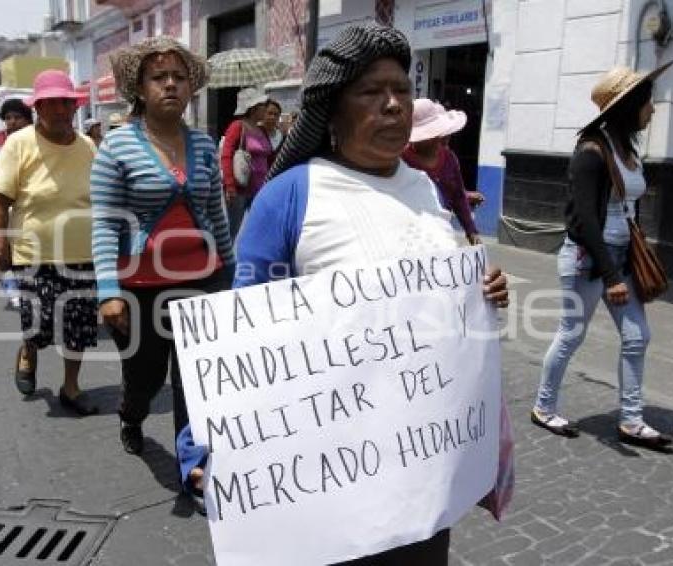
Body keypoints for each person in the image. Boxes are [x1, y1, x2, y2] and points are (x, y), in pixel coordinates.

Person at [176, 24, 512, 562]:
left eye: (402, 90)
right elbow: (244, 331)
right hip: (334, 482)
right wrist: (203, 442)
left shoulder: (424, 187)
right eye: (371, 92)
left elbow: (441, 294)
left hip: (422, 476)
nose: (394, 105)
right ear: (332, 110)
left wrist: (482, 292)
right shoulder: (291, 197)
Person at [91, 36, 234, 455]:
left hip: (203, 281)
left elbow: (217, 216)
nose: (170, 84)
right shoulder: (117, 146)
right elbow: (103, 223)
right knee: (146, 376)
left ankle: (193, 464)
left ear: (191, 88)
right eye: (159, 77)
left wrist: (232, 272)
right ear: (140, 88)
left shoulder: (205, 146)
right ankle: (130, 414)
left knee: (194, 378)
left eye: (179, 77)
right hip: (139, 287)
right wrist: (107, 291)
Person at [531, 61, 673, 451]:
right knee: (571, 336)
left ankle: (631, 420)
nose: (653, 109)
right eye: (648, 103)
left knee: (637, 337)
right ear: (630, 107)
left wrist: (627, 258)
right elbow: (582, 223)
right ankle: (543, 408)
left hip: (621, 256)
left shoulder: (626, 149)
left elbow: (628, 208)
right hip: (588, 260)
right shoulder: (591, 152)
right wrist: (610, 275)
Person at [0, 69, 99, 416]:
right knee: (39, 322)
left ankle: (71, 386)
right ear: (38, 108)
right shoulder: (18, 144)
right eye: (52, 104)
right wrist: (0, 246)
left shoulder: (88, 146)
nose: (61, 111)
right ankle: (28, 350)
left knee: (79, 325)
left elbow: (102, 195)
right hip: (33, 252)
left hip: (83, 250)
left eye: (66, 103)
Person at [402, 99, 483, 245]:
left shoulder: (449, 158)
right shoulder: (401, 160)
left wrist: (471, 230)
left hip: (441, 232)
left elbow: (458, 195)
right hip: (411, 234)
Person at [0, 98, 34, 308]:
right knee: (4, 248)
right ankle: (12, 288)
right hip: (3, 205)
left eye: (17, 117)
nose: (12, 122)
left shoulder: (38, 140)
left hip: (28, 209)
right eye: (8, 118)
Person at [219, 86, 273, 239]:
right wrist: (229, 186)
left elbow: (270, 157)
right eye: (263, 106)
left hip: (261, 188)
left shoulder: (262, 130)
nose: (266, 109)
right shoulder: (237, 126)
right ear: (253, 108)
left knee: (263, 227)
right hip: (240, 189)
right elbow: (226, 155)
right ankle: (224, 260)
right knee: (233, 229)